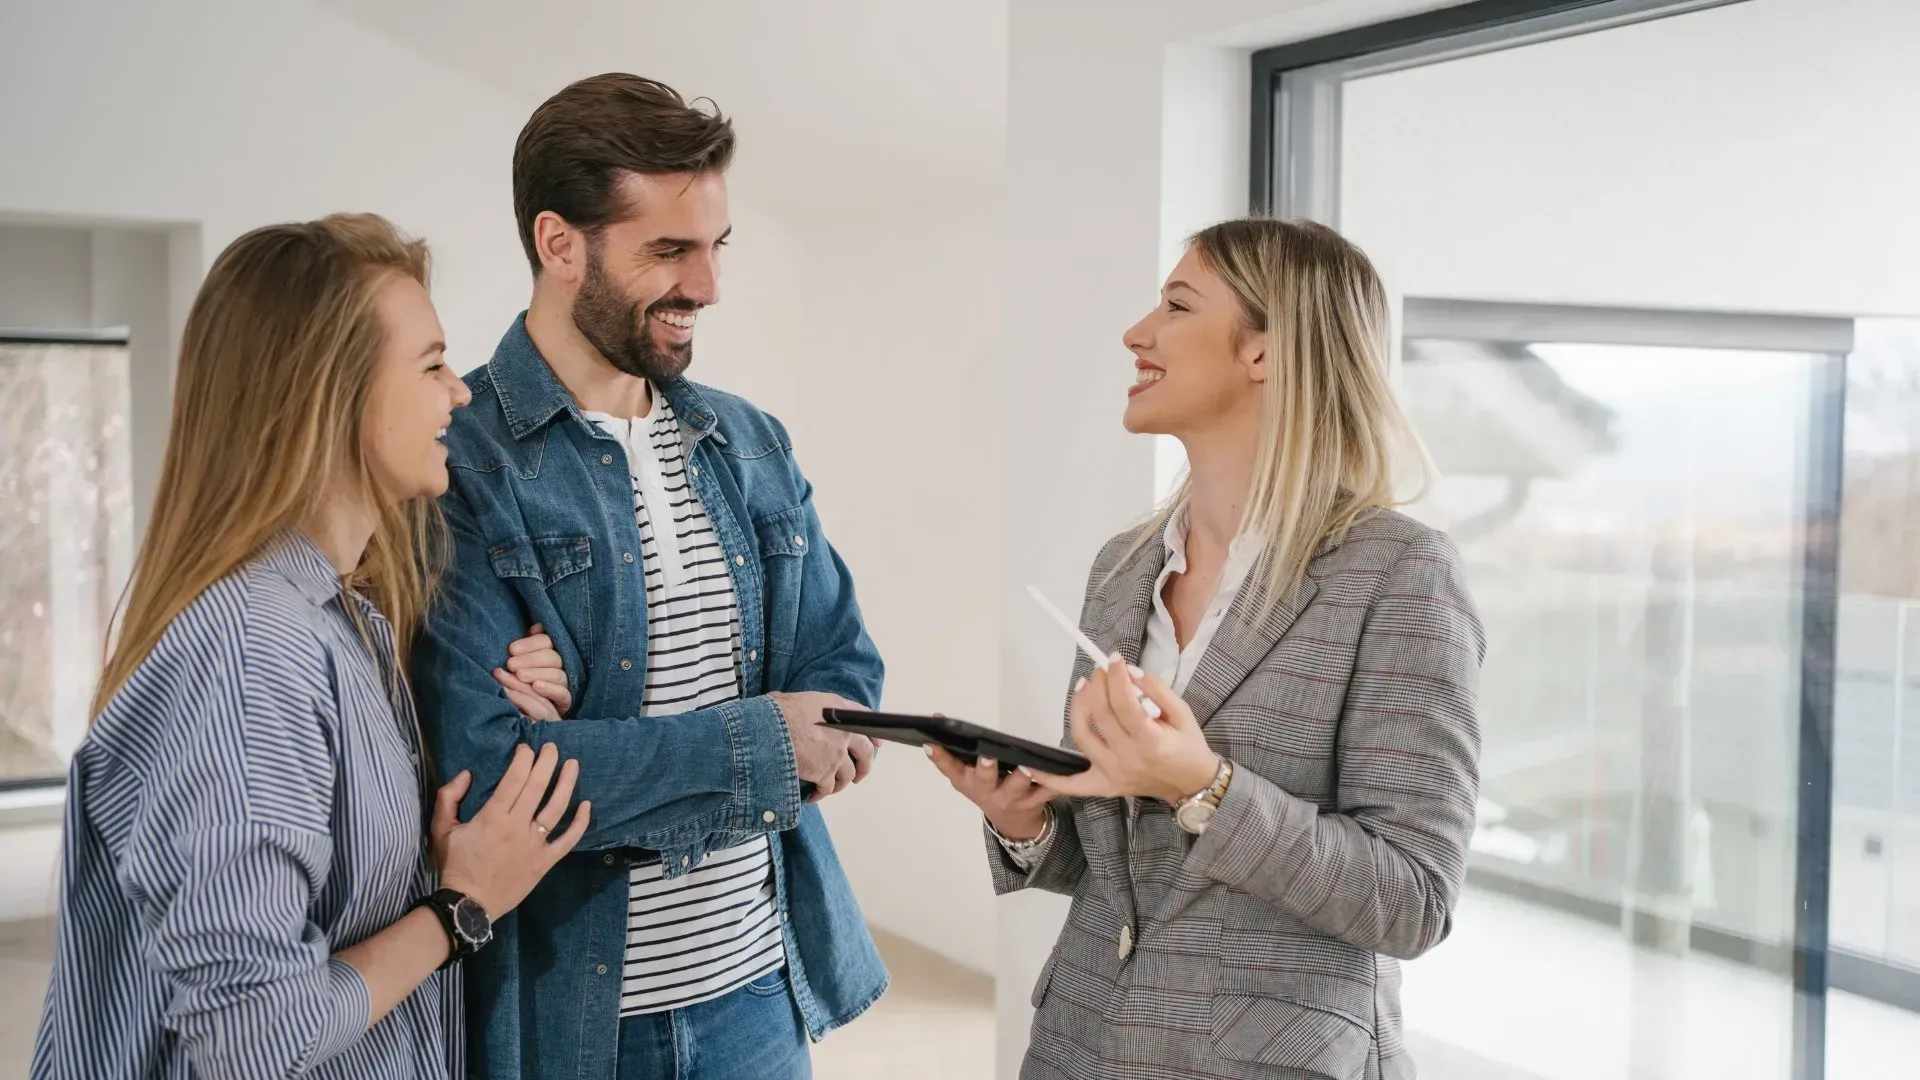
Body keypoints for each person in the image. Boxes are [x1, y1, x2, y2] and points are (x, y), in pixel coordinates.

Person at [30, 214, 588, 1079]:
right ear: (334, 395)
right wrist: (458, 909)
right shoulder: (251, 653)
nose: (460, 393)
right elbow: (256, 1034)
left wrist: (501, 699)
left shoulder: (344, 617)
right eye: (431, 365)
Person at [410, 74, 886, 1080]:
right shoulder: (457, 460)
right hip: (575, 1023)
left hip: (761, 995)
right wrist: (767, 742)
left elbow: (844, 675)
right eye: (669, 251)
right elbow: (491, 778)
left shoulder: (751, 443)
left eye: (717, 247)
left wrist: (588, 743)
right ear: (559, 243)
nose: (707, 287)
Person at [932, 217, 1485, 1080]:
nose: (1136, 333)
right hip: (1080, 1047)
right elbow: (1125, 866)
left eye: (1177, 306)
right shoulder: (1123, 569)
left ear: (1264, 350)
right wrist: (1027, 821)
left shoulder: (1400, 572)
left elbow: (1413, 899)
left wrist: (1204, 787)